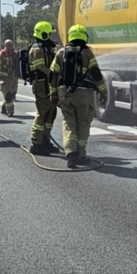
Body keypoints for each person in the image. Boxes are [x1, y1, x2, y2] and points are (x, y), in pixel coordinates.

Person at [51, 24, 108, 168]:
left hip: (65, 94)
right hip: (84, 94)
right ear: (84, 36)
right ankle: (81, 154)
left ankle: (70, 153)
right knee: (83, 123)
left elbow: (53, 74)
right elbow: (96, 74)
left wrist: (53, 93)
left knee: (69, 123)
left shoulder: (61, 52)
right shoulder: (87, 53)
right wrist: (103, 92)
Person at [28, 21, 58, 156]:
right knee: (42, 112)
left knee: (51, 112)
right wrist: (55, 74)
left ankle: (45, 140)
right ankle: (36, 143)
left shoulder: (47, 48)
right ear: (43, 34)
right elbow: (41, 67)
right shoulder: (37, 49)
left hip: (48, 84)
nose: (51, 36)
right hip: (41, 84)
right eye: (49, 34)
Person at [0, 39, 19, 117]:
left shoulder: (15, 54)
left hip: (14, 77)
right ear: (5, 46)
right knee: (7, 95)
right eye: (8, 45)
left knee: (12, 93)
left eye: (11, 45)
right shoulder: (2, 54)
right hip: (5, 78)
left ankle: (4, 108)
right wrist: (0, 78)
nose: (10, 46)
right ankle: (10, 111)